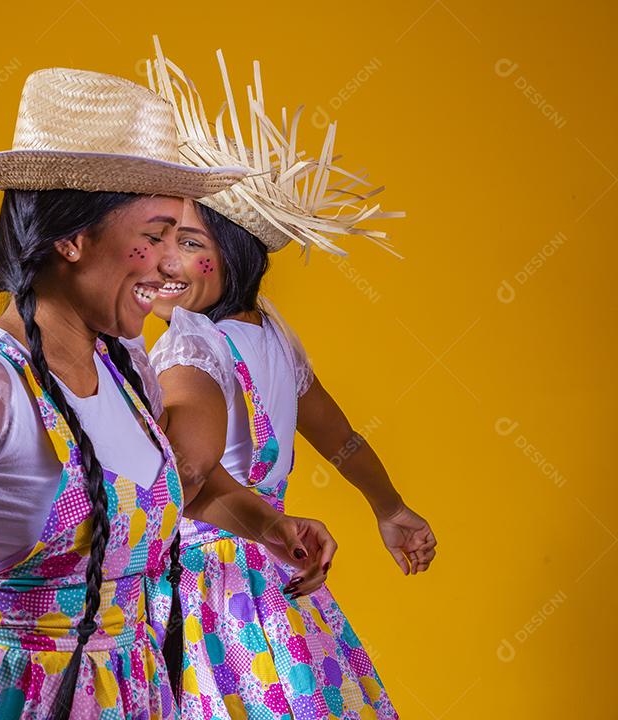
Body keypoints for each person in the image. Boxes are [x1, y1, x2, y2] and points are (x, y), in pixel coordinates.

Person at [0, 66, 335, 719]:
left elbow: (175, 488)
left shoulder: (126, 366)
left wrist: (268, 525)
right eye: (155, 235)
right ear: (72, 238)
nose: (175, 266)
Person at [141, 39, 437, 719]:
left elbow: (179, 472)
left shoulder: (191, 348)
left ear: (234, 256)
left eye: (191, 244)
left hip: (206, 596)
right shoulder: (270, 334)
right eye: (161, 239)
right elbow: (344, 442)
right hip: (274, 586)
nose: (164, 259)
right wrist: (389, 507)